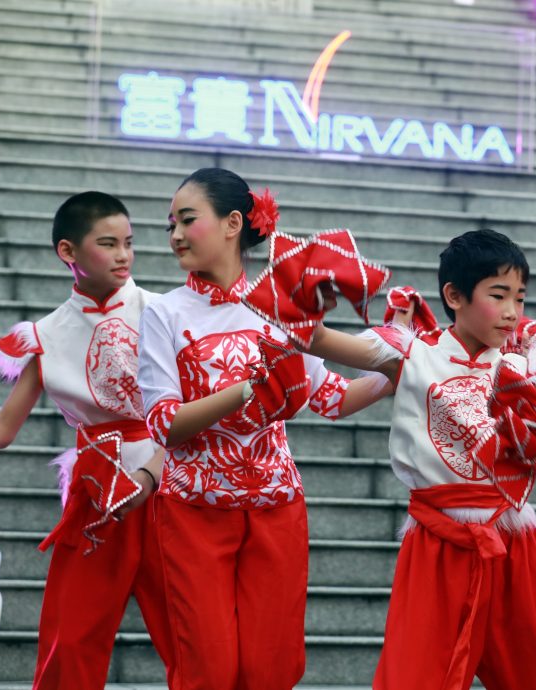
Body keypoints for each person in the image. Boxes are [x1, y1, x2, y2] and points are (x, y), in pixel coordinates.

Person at [297, 229, 536, 690]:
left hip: (514, 539)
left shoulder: (525, 365)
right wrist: (313, 290)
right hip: (437, 539)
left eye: (520, 297)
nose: (512, 311)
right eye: (498, 295)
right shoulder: (411, 350)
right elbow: (315, 339)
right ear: (454, 295)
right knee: (416, 676)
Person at [136, 167, 390, 690]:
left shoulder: (281, 307)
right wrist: (242, 390)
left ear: (233, 223)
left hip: (277, 509)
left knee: (271, 669)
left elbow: (332, 397)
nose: (176, 235)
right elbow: (164, 424)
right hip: (193, 514)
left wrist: (397, 370)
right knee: (208, 669)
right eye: (170, 225)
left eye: (187, 220)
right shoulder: (163, 312)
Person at [0, 191, 175, 690]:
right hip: (96, 493)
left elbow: (194, 414)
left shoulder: (165, 312)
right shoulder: (44, 335)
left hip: (169, 480)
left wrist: (154, 468)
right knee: (72, 637)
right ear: (68, 252)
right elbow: (3, 429)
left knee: (189, 637)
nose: (124, 255)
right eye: (108, 244)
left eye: (129, 243)